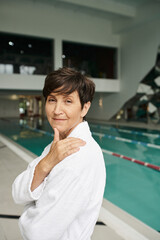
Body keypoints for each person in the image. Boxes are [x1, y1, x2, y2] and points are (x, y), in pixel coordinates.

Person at [12, 67, 106, 240]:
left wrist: (29, 209)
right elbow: (17, 193)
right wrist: (46, 163)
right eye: (52, 100)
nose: (57, 110)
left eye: (68, 101)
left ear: (84, 108)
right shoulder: (56, 147)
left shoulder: (78, 156)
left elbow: (37, 232)